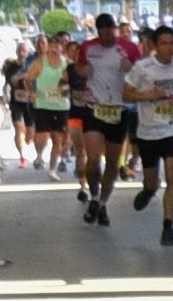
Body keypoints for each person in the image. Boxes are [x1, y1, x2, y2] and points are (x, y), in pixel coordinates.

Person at [122, 25, 173, 246]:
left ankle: (168, 228)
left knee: (172, 177)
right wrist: (149, 94)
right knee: (153, 179)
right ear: (154, 46)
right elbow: (126, 94)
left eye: (172, 43)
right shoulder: (142, 68)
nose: (169, 47)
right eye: (164, 43)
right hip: (149, 132)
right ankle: (149, 188)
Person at [72, 15, 140, 226]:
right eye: (104, 34)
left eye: (112, 33)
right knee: (93, 157)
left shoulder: (129, 48)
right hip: (94, 108)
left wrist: (131, 68)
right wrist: (82, 71)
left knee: (112, 163)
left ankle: (102, 203)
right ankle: (93, 196)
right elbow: (79, 67)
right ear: (98, 32)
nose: (109, 37)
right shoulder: (88, 48)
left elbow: (142, 73)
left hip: (119, 110)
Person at [24, 35, 74, 179]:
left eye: (57, 46)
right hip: (43, 104)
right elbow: (28, 80)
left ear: (61, 48)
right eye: (51, 46)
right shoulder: (40, 62)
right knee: (42, 136)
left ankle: (52, 169)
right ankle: (39, 154)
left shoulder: (67, 64)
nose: (53, 49)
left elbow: (76, 80)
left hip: (61, 106)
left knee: (58, 139)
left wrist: (69, 85)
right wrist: (32, 92)